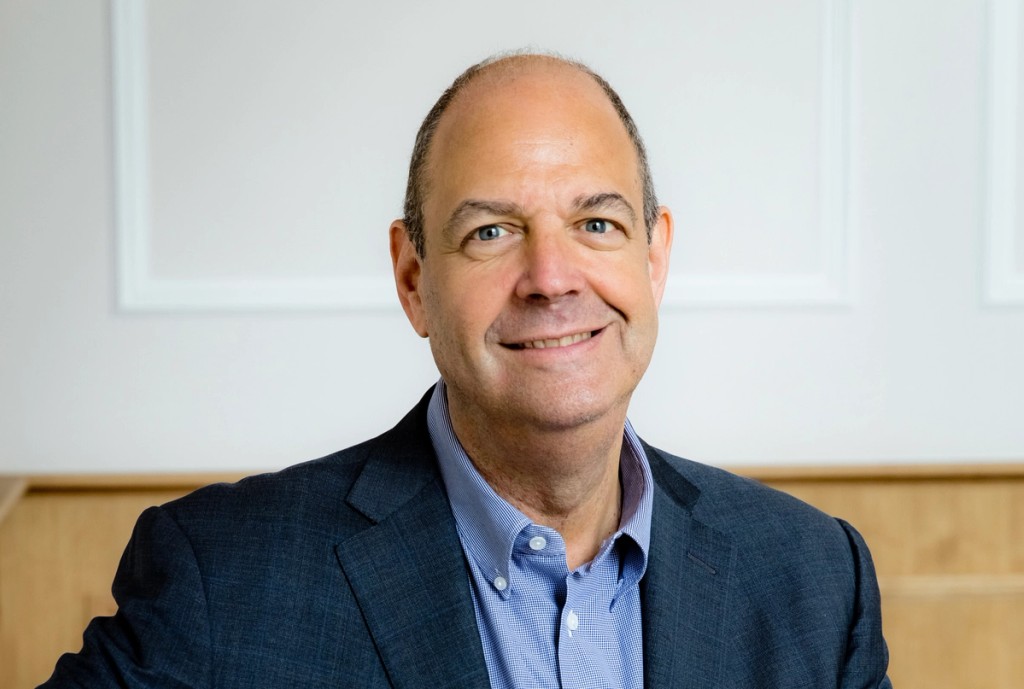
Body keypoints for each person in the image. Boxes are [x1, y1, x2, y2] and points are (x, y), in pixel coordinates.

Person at [41, 52, 891, 688]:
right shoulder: (224, 581)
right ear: (413, 279)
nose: (552, 276)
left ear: (654, 257)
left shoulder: (814, 581)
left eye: (596, 223)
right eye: (490, 232)